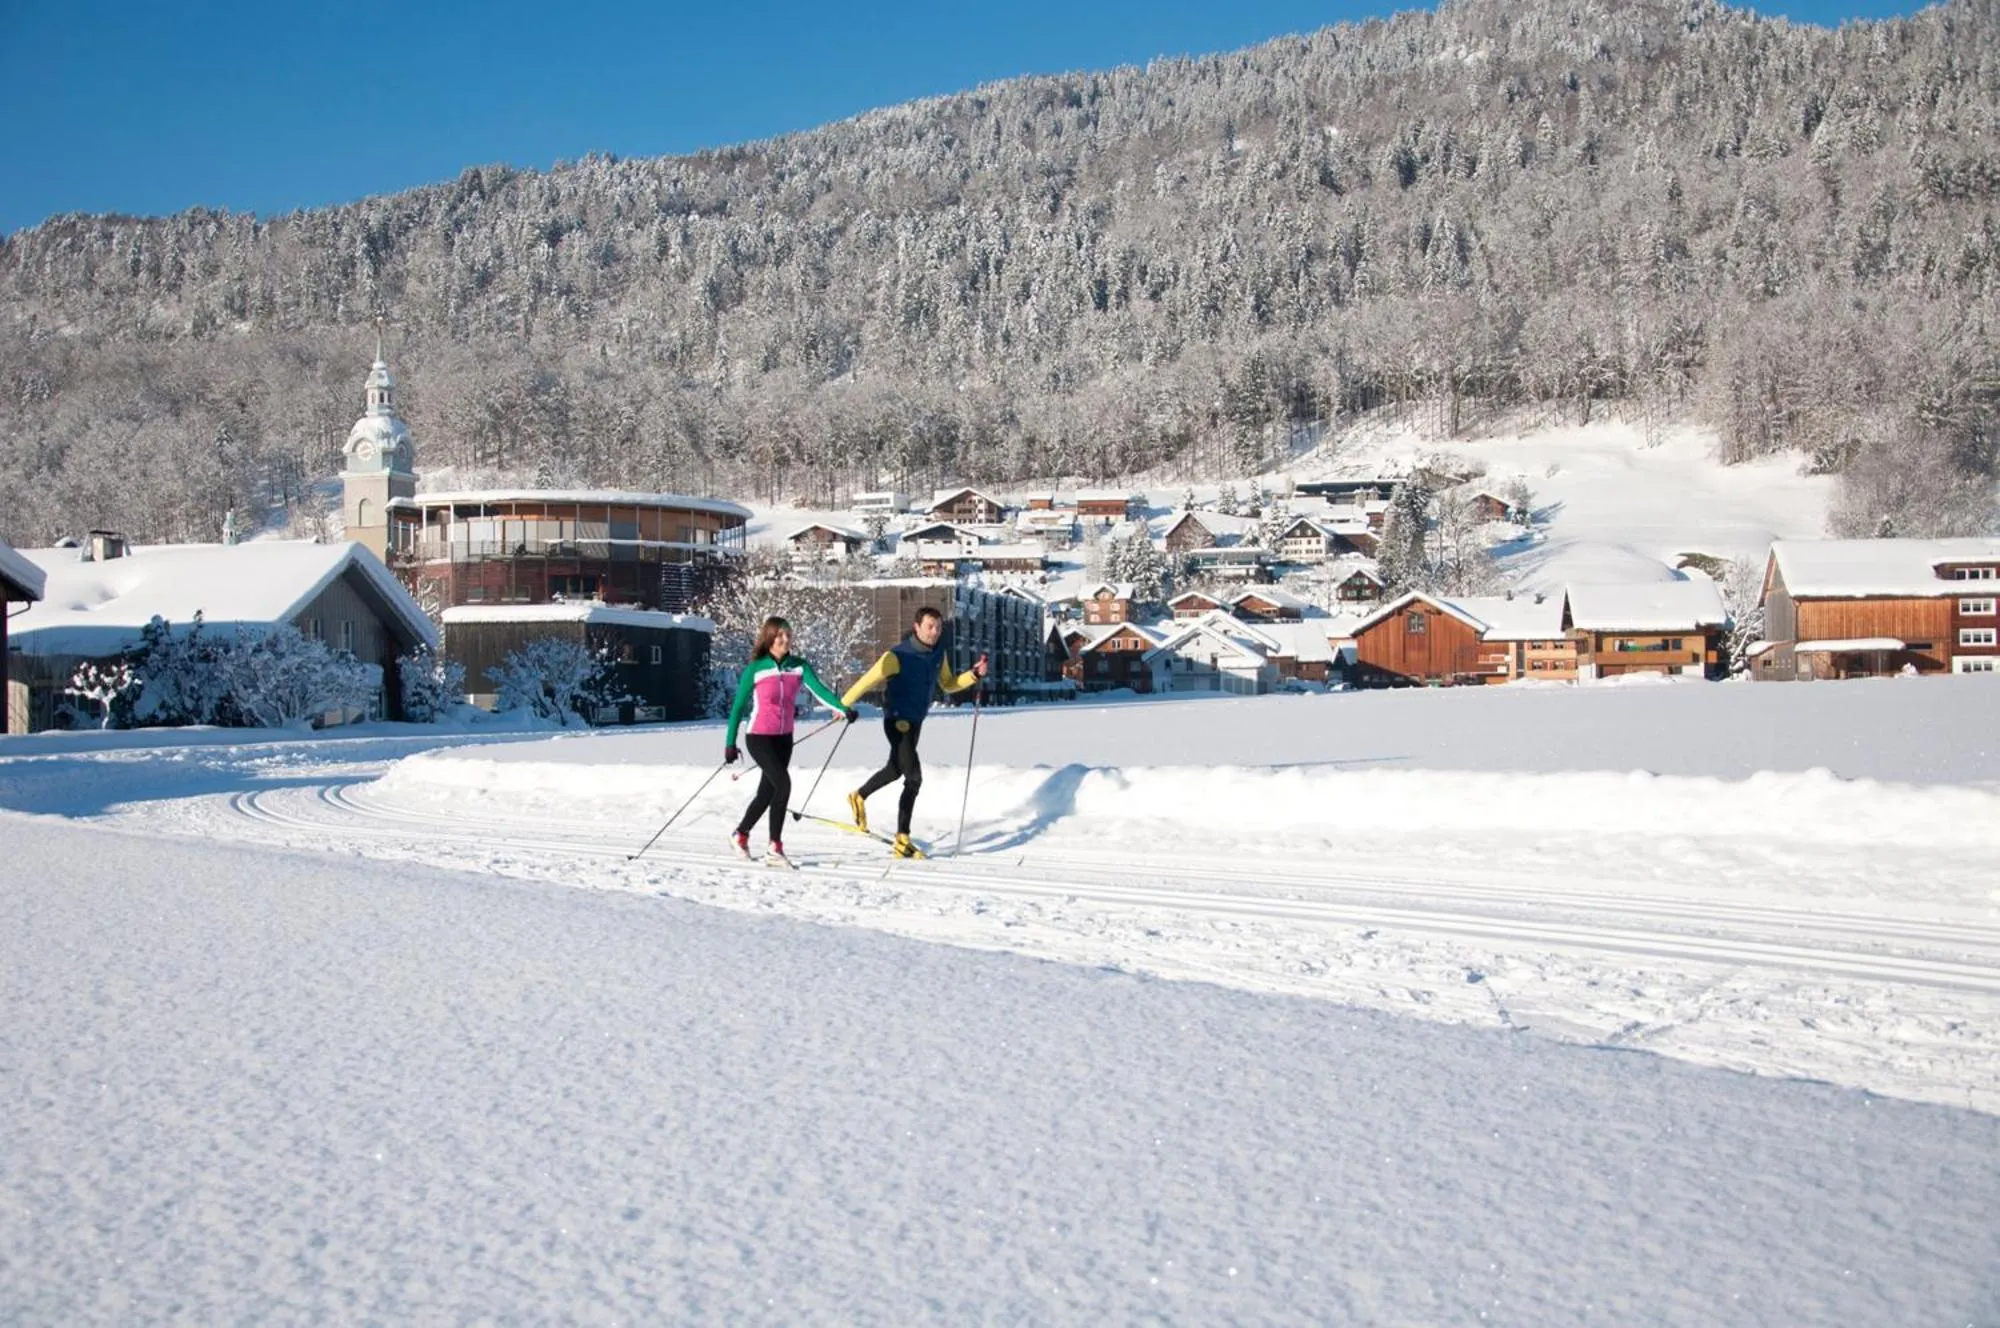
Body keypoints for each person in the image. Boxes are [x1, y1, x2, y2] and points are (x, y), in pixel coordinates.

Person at [840, 606, 987, 857]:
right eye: (929, 626)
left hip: (916, 721)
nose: (934, 631)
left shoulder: (939, 653)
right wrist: (842, 705)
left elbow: (948, 684)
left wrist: (973, 675)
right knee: (914, 777)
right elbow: (867, 679)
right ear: (917, 627)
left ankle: (858, 795)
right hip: (897, 720)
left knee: (895, 770)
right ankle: (902, 838)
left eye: (938, 627)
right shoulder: (896, 656)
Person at [724, 616, 855, 868]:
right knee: (783, 783)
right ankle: (775, 847)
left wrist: (843, 708)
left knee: (767, 791)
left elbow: (821, 691)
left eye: (788, 635)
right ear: (769, 638)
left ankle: (740, 834)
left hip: (784, 738)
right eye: (779, 635)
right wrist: (730, 742)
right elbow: (739, 706)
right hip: (759, 737)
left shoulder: (799, 667)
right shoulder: (756, 668)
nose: (785, 639)